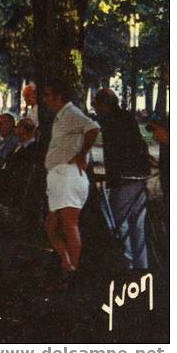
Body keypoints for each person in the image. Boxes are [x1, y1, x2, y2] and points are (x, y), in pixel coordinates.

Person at [42, 78, 100, 283]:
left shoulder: (72, 113)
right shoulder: (61, 116)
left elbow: (93, 128)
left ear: (58, 97)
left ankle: (72, 269)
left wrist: (82, 153)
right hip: (58, 176)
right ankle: (67, 263)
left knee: (69, 224)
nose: (45, 99)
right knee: (51, 226)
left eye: (48, 95)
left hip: (68, 176)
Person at [93, 88, 151, 270]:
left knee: (121, 224)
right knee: (138, 226)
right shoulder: (126, 117)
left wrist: (111, 176)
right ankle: (142, 267)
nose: (95, 109)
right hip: (139, 177)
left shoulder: (110, 121)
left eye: (97, 105)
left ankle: (127, 267)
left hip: (123, 179)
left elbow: (116, 153)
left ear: (104, 105)